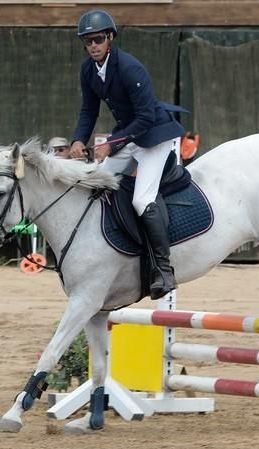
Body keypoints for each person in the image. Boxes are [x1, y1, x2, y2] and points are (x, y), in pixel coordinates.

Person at [69, 9, 186, 300]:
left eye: (97, 39)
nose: (92, 46)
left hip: (155, 137)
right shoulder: (88, 70)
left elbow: (146, 116)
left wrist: (112, 141)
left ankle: (162, 269)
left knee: (142, 198)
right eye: (87, 41)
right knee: (99, 184)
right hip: (128, 136)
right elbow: (88, 110)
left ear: (110, 38)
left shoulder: (129, 68)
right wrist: (77, 140)